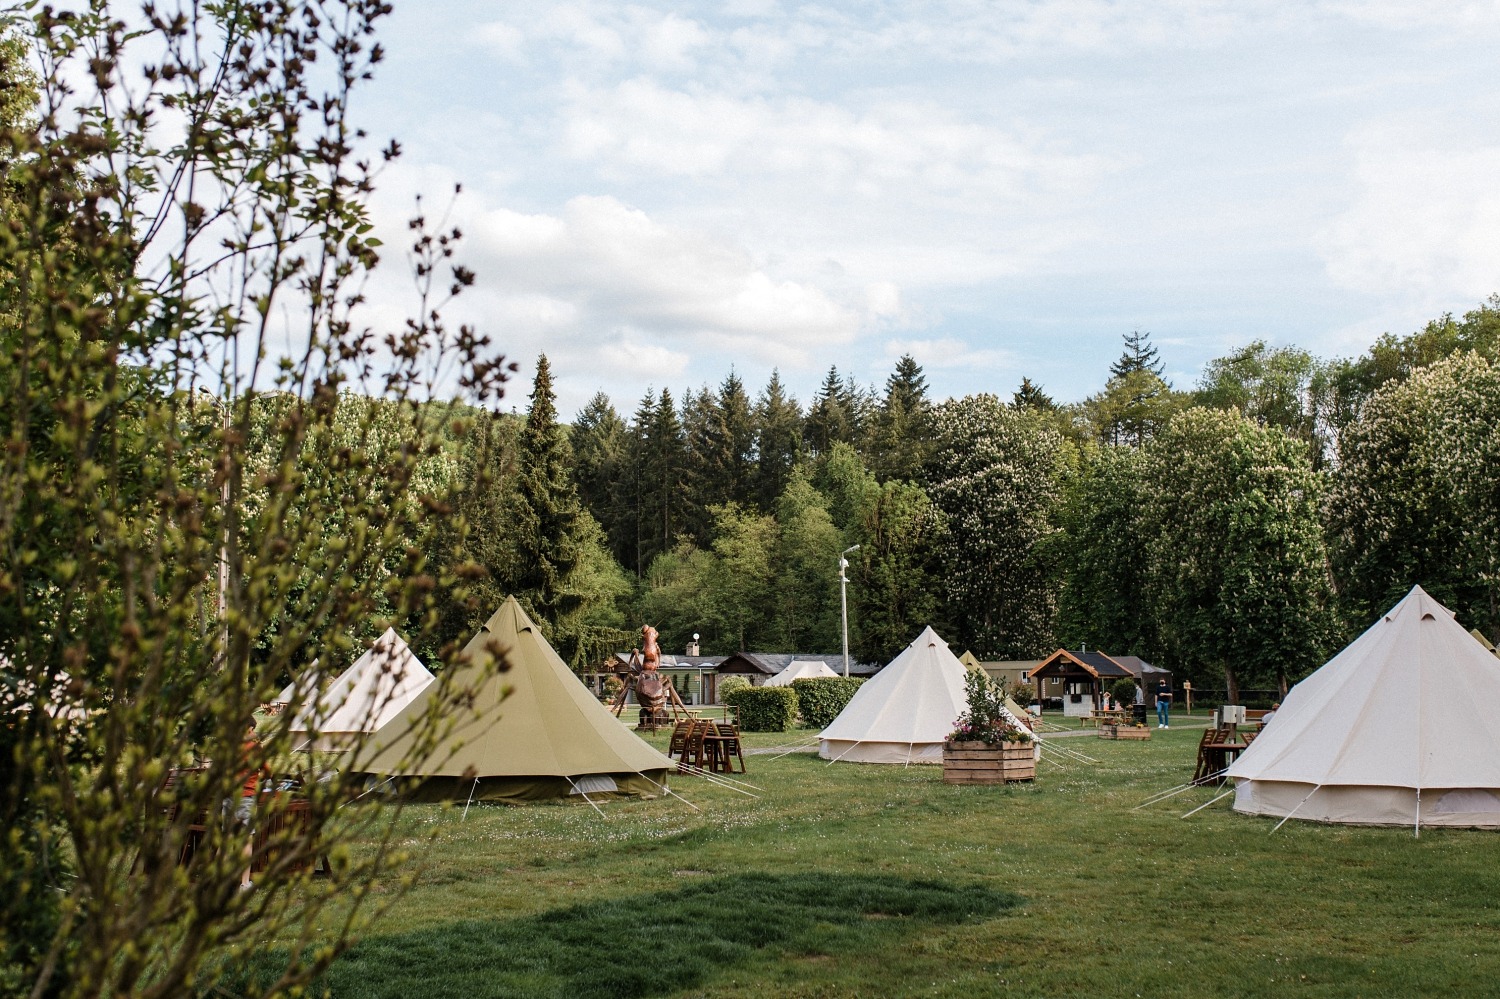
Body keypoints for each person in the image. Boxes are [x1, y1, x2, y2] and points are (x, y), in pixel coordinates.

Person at [226, 719, 268, 889]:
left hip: (229, 795)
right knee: (246, 840)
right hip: (247, 795)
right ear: (250, 728)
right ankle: (244, 882)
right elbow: (267, 769)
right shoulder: (254, 746)